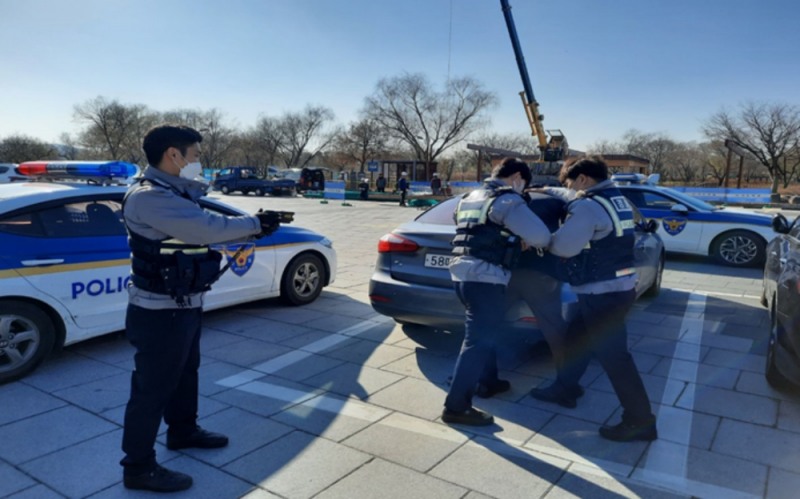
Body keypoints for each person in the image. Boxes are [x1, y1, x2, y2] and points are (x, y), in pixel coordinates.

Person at [120, 124, 278, 492]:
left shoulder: (174, 191)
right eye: (195, 155)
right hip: (159, 311)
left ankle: (183, 431)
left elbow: (204, 226)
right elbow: (205, 228)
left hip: (183, 302)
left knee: (185, 373)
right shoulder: (149, 197)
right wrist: (255, 223)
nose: (199, 162)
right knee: (152, 389)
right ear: (173, 155)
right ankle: (138, 467)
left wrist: (254, 228)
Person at [531, 155, 657, 442]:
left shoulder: (587, 207)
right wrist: (547, 189)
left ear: (583, 179)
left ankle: (640, 421)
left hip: (602, 293)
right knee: (576, 340)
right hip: (616, 286)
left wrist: (541, 239)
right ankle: (565, 388)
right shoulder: (616, 199)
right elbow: (568, 195)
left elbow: (564, 247)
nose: (568, 188)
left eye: (569, 182)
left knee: (615, 358)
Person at [443, 158, 551, 426]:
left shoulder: (469, 198)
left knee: (484, 333)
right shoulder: (507, 200)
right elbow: (541, 237)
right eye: (524, 184)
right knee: (477, 341)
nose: (523, 189)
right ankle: (456, 407)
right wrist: (521, 239)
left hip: (462, 274)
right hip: (486, 277)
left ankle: (488, 381)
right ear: (517, 177)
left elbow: (473, 230)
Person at [505, 191, 573, 401]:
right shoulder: (557, 201)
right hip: (542, 273)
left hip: (509, 272)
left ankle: (480, 378)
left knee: (486, 324)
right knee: (555, 330)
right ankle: (567, 386)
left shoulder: (507, 201)